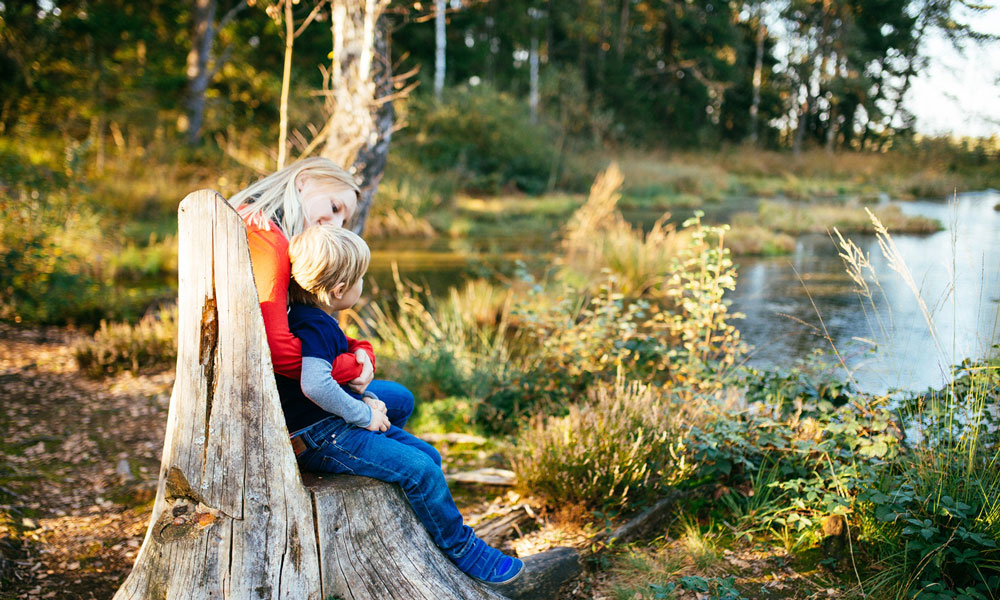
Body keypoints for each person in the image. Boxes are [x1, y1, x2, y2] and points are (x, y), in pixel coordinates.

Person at [231, 158, 524, 585]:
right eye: (334, 207)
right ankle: (462, 548)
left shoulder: (312, 309)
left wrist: (360, 357)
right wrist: (361, 406)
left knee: (411, 421)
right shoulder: (269, 245)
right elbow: (304, 370)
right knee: (422, 468)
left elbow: (329, 347)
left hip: (321, 414)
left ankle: (406, 497)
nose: (333, 219)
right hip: (317, 431)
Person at [230, 157, 414, 428]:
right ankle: (342, 451)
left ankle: (363, 449)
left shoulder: (271, 231)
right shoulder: (266, 238)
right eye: (335, 207)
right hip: (262, 399)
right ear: (304, 181)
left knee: (398, 398)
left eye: (343, 219)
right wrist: (353, 367)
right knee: (399, 401)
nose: (335, 224)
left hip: (276, 386)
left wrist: (360, 349)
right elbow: (278, 351)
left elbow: (308, 329)